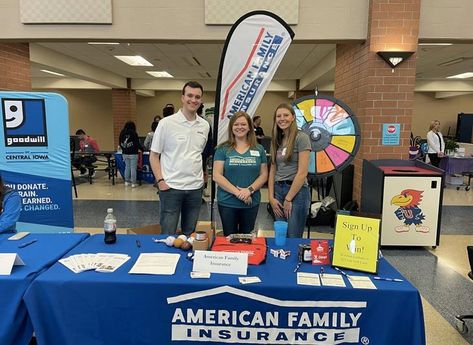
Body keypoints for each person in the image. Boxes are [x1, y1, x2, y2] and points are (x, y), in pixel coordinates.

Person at [150, 81, 210, 235]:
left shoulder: (204, 125)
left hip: (195, 188)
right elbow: (154, 155)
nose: (193, 100)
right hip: (171, 188)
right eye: (190, 95)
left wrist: (203, 178)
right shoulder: (166, 123)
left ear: (201, 100)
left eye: (197, 97)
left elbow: (199, 154)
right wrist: (160, 182)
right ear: (182, 97)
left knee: (189, 235)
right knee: (168, 234)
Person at [213, 112, 268, 236]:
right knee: (229, 238)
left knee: (247, 239)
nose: (240, 127)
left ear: (249, 127)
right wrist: (239, 193)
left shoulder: (258, 149)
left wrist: (249, 190)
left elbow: (264, 175)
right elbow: (217, 175)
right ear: (231, 127)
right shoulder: (222, 149)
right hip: (227, 202)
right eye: (236, 124)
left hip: (251, 202)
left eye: (243, 124)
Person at [268, 103, 311, 238]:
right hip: (278, 191)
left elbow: (302, 172)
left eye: (286, 115)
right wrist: (271, 198)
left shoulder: (301, 137)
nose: (282, 119)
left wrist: (288, 198)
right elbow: (272, 170)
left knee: (293, 236)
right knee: (281, 235)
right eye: (278, 116)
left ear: (293, 117)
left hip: (296, 193)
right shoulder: (277, 139)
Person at [119, 121, 143, 187]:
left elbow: (120, 143)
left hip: (125, 153)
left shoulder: (122, 132)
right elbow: (137, 143)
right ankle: (133, 183)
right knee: (133, 168)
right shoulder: (134, 133)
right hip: (133, 153)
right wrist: (142, 149)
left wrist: (124, 148)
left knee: (127, 167)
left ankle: (126, 181)